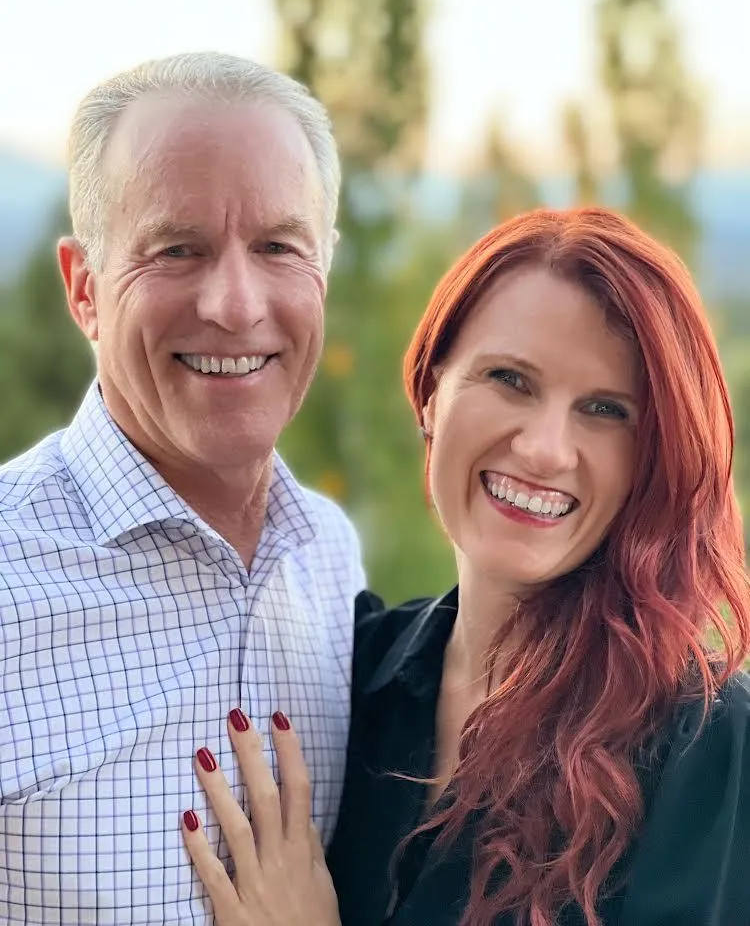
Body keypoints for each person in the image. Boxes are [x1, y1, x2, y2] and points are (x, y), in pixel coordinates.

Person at [180, 207, 750, 926]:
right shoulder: (347, 672)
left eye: (606, 410)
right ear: (430, 395)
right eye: (510, 379)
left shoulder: (706, 743)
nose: (544, 449)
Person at [0, 52, 366, 924]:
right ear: (84, 290)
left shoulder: (330, 557)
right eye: (177, 249)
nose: (235, 305)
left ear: (322, 271)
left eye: (278, 247)